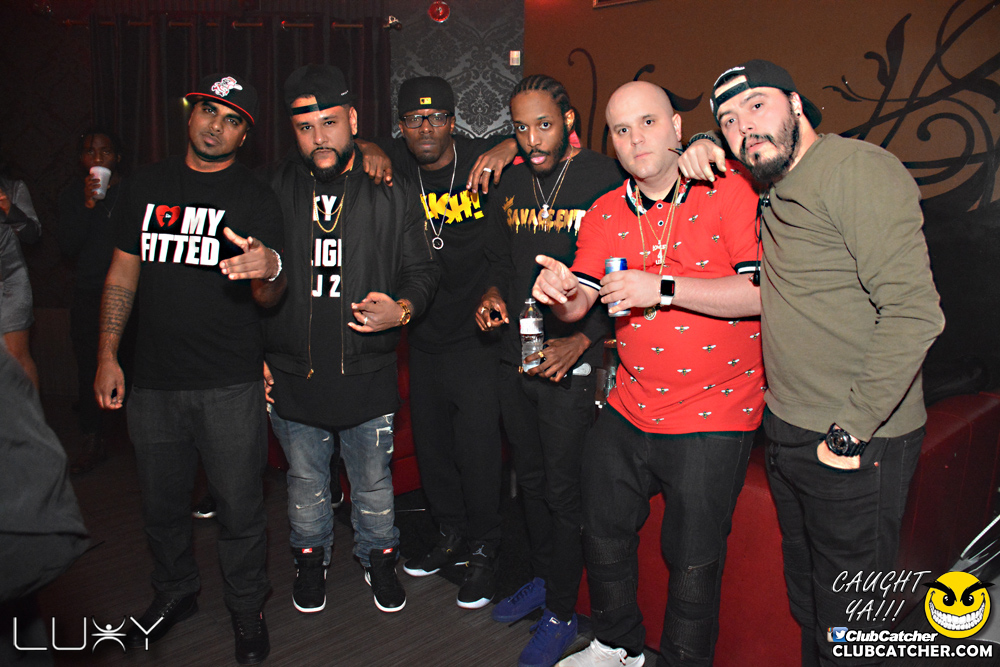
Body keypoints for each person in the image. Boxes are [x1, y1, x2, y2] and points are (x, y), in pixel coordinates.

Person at [694, 59, 944, 666]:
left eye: (757, 105)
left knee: (852, 626)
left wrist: (849, 431)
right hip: (788, 429)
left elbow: (915, 313)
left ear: (797, 103)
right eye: (729, 121)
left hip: (855, 435)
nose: (745, 127)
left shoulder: (856, 170)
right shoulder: (772, 181)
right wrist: (699, 143)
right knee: (812, 604)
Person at [532, 81, 763, 667]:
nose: (636, 138)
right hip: (632, 402)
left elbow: (759, 293)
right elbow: (581, 302)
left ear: (677, 127)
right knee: (601, 526)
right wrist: (559, 293)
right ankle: (618, 644)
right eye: (621, 129)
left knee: (691, 558)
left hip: (716, 406)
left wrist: (659, 287)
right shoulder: (606, 211)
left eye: (649, 122)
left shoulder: (729, 189)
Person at [94, 73, 284, 665]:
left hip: (229, 382)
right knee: (161, 506)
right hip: (153, 381)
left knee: (240, 509)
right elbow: (122, 273)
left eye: (231, 120)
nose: (215, 126)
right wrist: (107, 354)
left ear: (244, 136)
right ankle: (175, 592)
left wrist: (266, 270)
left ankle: (247, 606)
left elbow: (271, 295)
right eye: (208, 111)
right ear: (191, 113)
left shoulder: (255, 196)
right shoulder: (145, 185)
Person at [261, 64, 439, 616]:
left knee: (373, 483)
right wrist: (255, 357)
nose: (319, 137)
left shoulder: (392, 188)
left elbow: (423, 270)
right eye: (305, 127)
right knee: (305, 483)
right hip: (295, 371)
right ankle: (309, 560)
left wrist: (402, 310)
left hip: (367, 369)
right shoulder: (270, 189)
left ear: (353, 121)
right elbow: (248, 285)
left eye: (330, 123)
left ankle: (379, 559)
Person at [478, 74, 622, 667]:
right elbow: (497, 258)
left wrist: (584, 341)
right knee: (531, 482)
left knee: (564, 492)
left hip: (572, 363)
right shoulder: (512, 181)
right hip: (517, 356)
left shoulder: (603, 178)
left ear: (568, 122)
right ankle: (543, 579)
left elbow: (624, 275)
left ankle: (563, 611)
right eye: (521, 128)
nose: (533, 139)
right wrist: (492, 294)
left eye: (543, 125)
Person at [358, 76, 516, 609]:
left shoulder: (480, 162)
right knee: (432, 447)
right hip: (421, 333)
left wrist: (510, 144)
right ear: (401, 127)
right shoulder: (395, 167)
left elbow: (546, 139)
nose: (425, 128)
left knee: (478, 450)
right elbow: (332, 145)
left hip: (477, 334)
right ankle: (451, 532)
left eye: (436, 118)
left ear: (453, 121)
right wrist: (367, 145)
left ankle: (485, 547)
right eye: (413, 119)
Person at [57, 129, 126, 474]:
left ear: (118, 158)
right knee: (89, 367)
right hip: (89, 293)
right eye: (89, 152)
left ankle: (137, 438)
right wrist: (87, 205)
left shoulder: (131, 193)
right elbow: (67, 246)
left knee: (135, 365)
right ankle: (91, 439)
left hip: (131, 294)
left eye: (105, 152)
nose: (97, 159)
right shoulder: (72, 195)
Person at [0, 157, 41, 389]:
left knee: (16, 357)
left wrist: (9, 209)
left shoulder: (14, 188)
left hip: (10, 282)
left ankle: (28, 412)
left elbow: (33, 236)